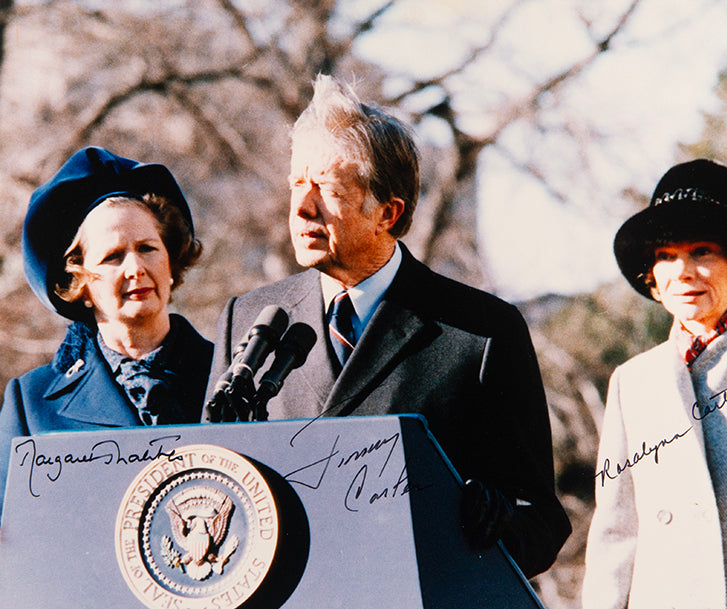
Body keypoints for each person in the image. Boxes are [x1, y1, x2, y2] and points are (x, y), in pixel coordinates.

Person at [204, 74, 571, 578]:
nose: (302, 207)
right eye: (297, 183)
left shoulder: (481, 332)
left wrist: (491, 522)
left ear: (387, 212)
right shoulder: (247, 319)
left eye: (328, 189)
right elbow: (212, 485)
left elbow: (543, 523)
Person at [581, 159, 727, 609]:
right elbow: (615, 538)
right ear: (652, 277)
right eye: (665, 255)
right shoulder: (632, 383)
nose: (683, 272)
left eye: (702, 251)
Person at [0, 146, 213, 516]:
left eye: (147, 248)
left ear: (171, 262)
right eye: (113, 256)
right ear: (80, 283)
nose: (135, 267)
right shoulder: (32, 404)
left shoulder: (229, 373)